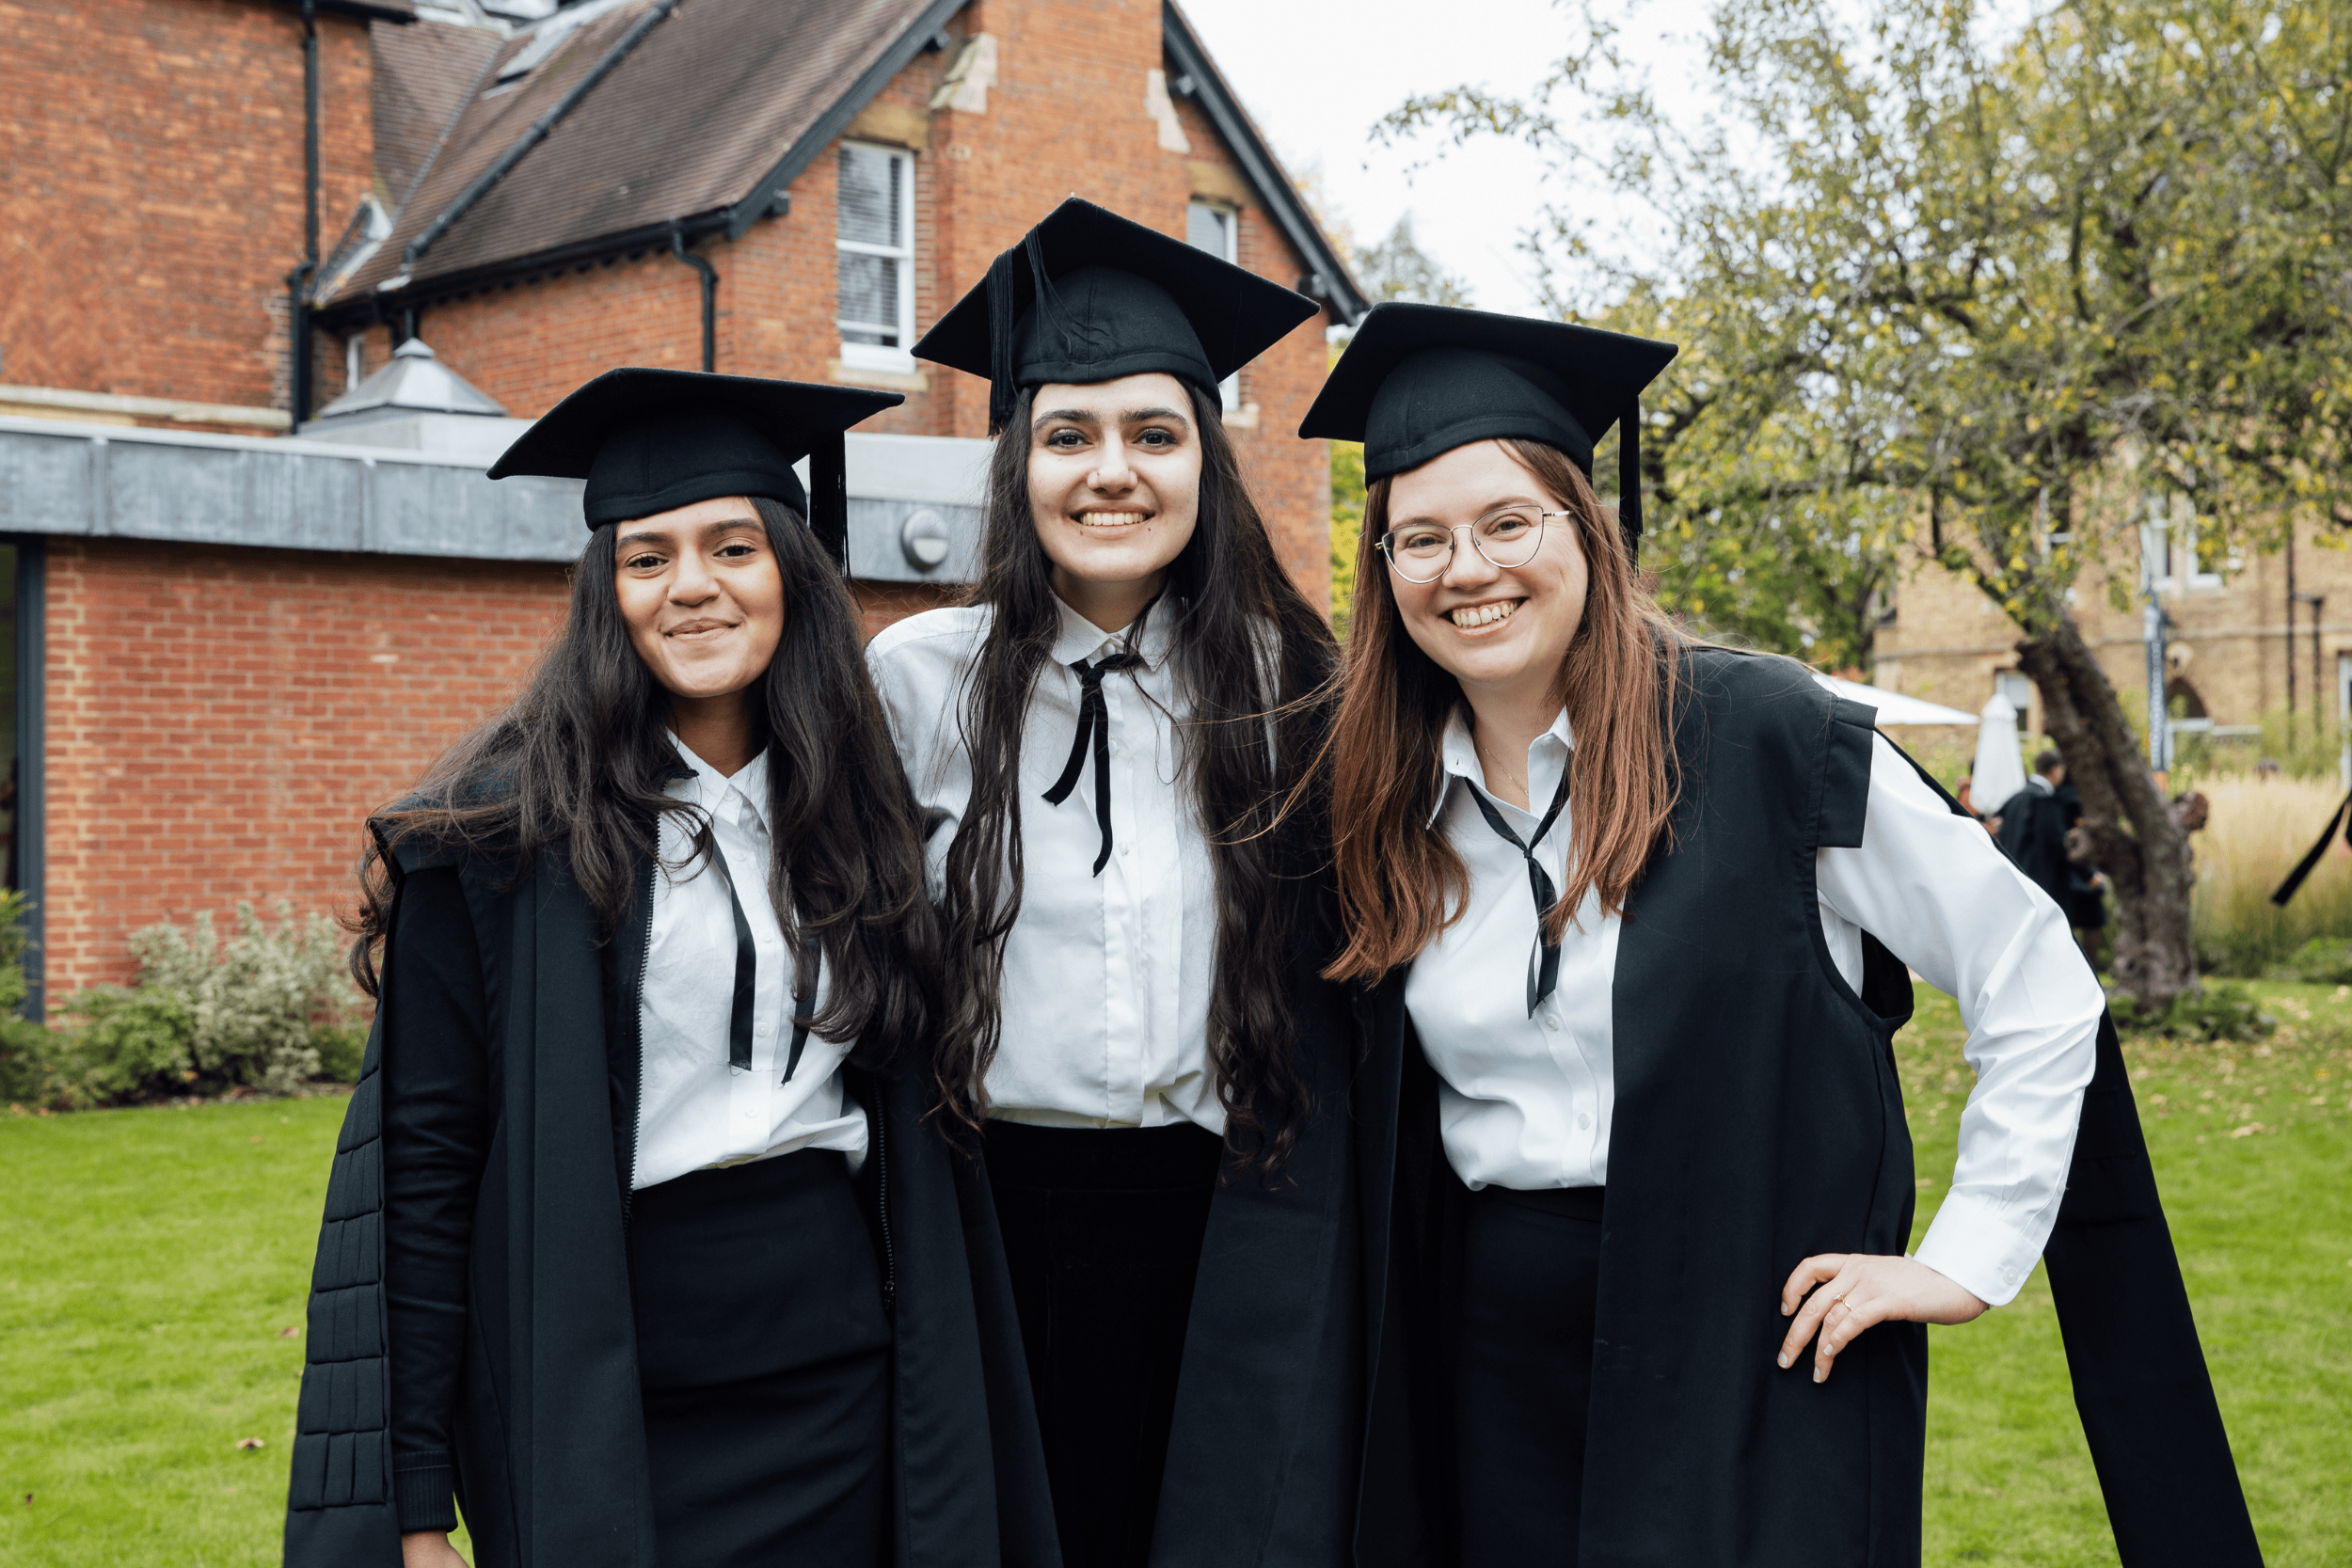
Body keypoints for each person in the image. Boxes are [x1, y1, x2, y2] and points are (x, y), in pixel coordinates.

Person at [1299, 301, 2262, 1566]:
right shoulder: (1375, 798)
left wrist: (1965, 1253)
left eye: (1507, 521)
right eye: (1419, 537)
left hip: (1753, 1349)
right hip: (1486, 1368)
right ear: (1383, 571)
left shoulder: (1768, 740)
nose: (1464, 568)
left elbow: (2030, 971)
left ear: (1585, 526)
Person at [284, 371, 1017, 1568]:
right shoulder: (500, 841)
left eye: (732, 546)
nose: (692, 585)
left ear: (791, 570)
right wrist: (414, 1501)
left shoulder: (858, 812)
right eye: (647, 557)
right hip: (606, 1396)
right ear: (606, 593)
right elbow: (422, 1170)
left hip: (842, 1389)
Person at [866, 198, 1359, 1568]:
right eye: (1068, 435)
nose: (1111, 472)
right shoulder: (917, 680)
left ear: (1207, 458)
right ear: (1017, 462)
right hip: (987, 1219)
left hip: (1231, 1218)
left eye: (1154, 433)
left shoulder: (1293, 688)